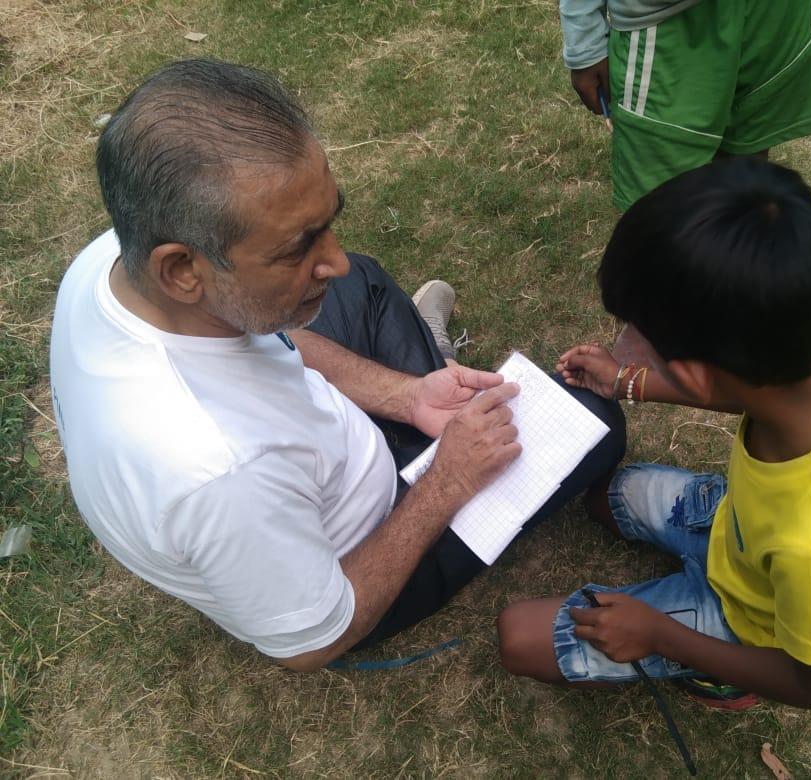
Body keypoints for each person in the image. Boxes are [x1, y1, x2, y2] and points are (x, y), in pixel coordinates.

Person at [49, 58, 624, 673]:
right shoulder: (219, 472)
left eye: (328, 224)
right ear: (182, 269)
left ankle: (417, 394)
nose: (336, 258)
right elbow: (314, 641)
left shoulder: (116, 262)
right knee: (597, 419)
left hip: (307, 462)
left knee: (362, 284)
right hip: (355, 560)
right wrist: (448, 481)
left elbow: (278, 341)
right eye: (297, 247)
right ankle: (425, 426)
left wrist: (409, 395)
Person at [497, 158, 811, 710]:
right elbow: (742, 387)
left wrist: (659, 635)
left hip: (755, 619)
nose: (626, 341)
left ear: (693, 373)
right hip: (738, 525)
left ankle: (728, 673)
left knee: (518, 637)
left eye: (635, 334)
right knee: (605, 496)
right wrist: (628, 381)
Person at [559, 0, 811, 211]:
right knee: (659, 201)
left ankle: (735, 262)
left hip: (776, 12)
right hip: (669, 19)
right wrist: (584, 40)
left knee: (747, 160)